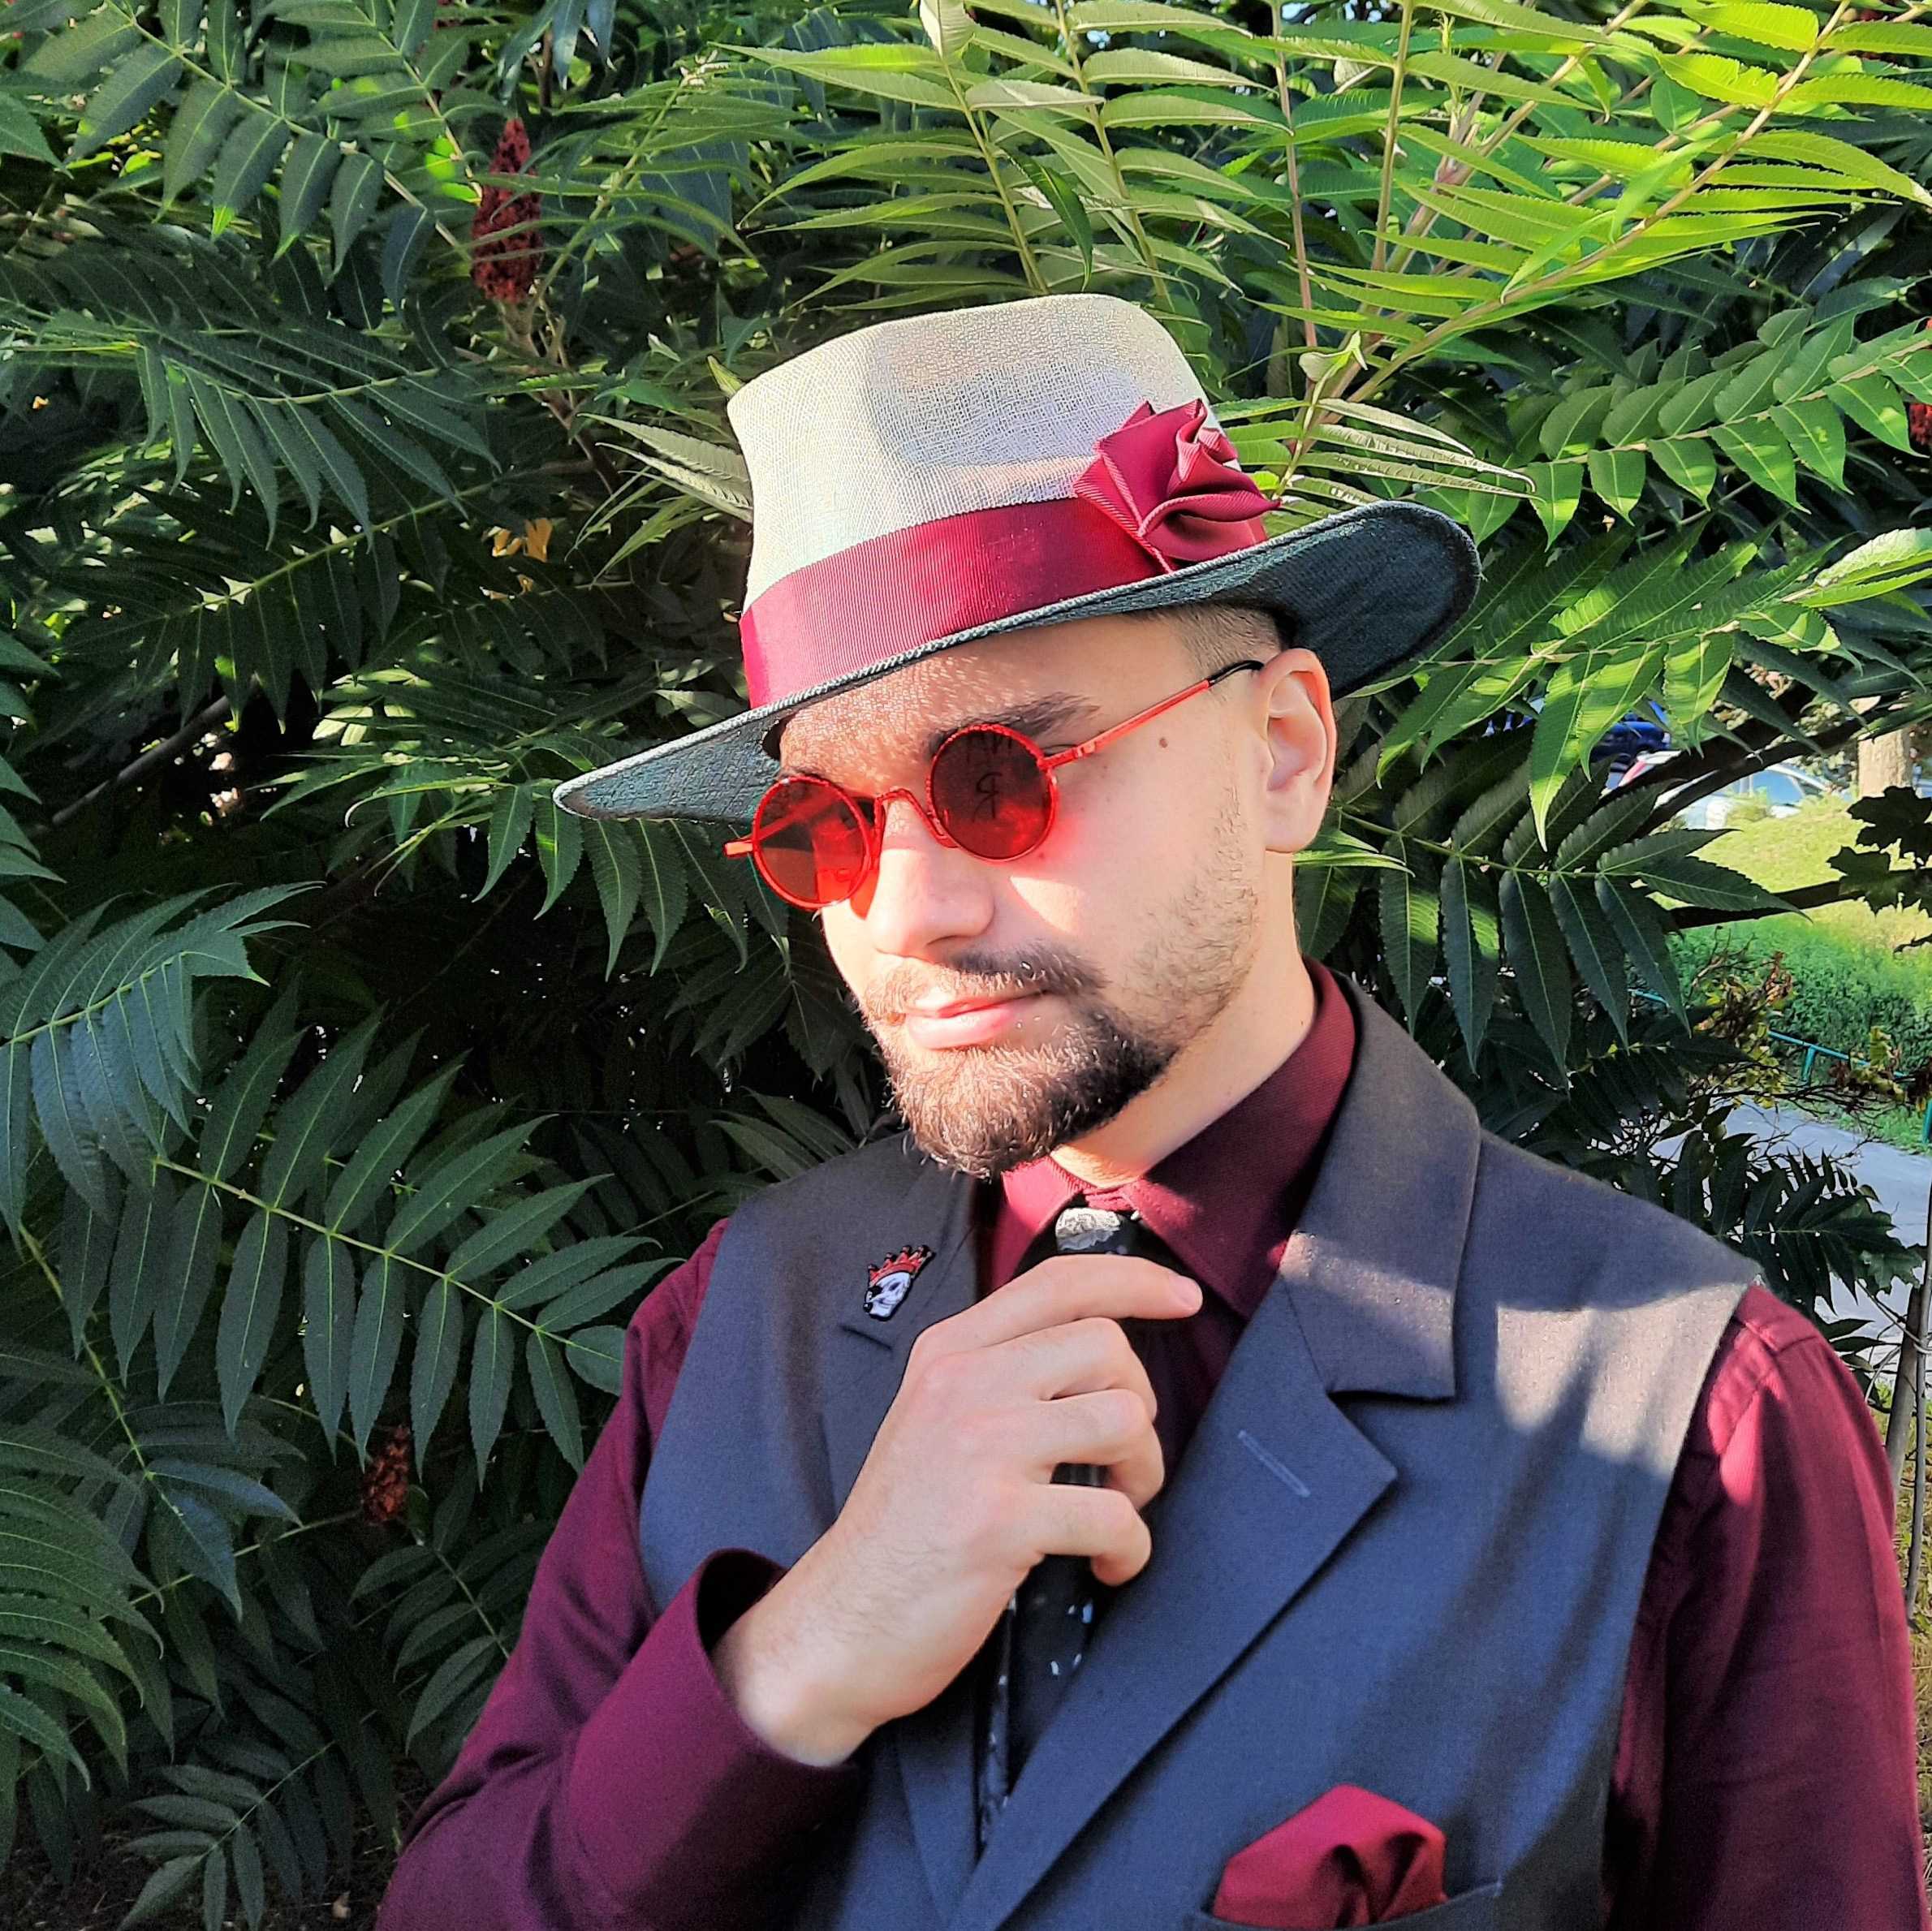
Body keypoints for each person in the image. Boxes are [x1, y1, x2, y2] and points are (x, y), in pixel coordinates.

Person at [375, 295, 1926, 1931]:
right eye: (828, 822)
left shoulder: (1691, 1416)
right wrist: (791, 1661)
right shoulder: (734, 1322)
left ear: (1278, 748)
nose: (906, 911)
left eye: (999, 775)